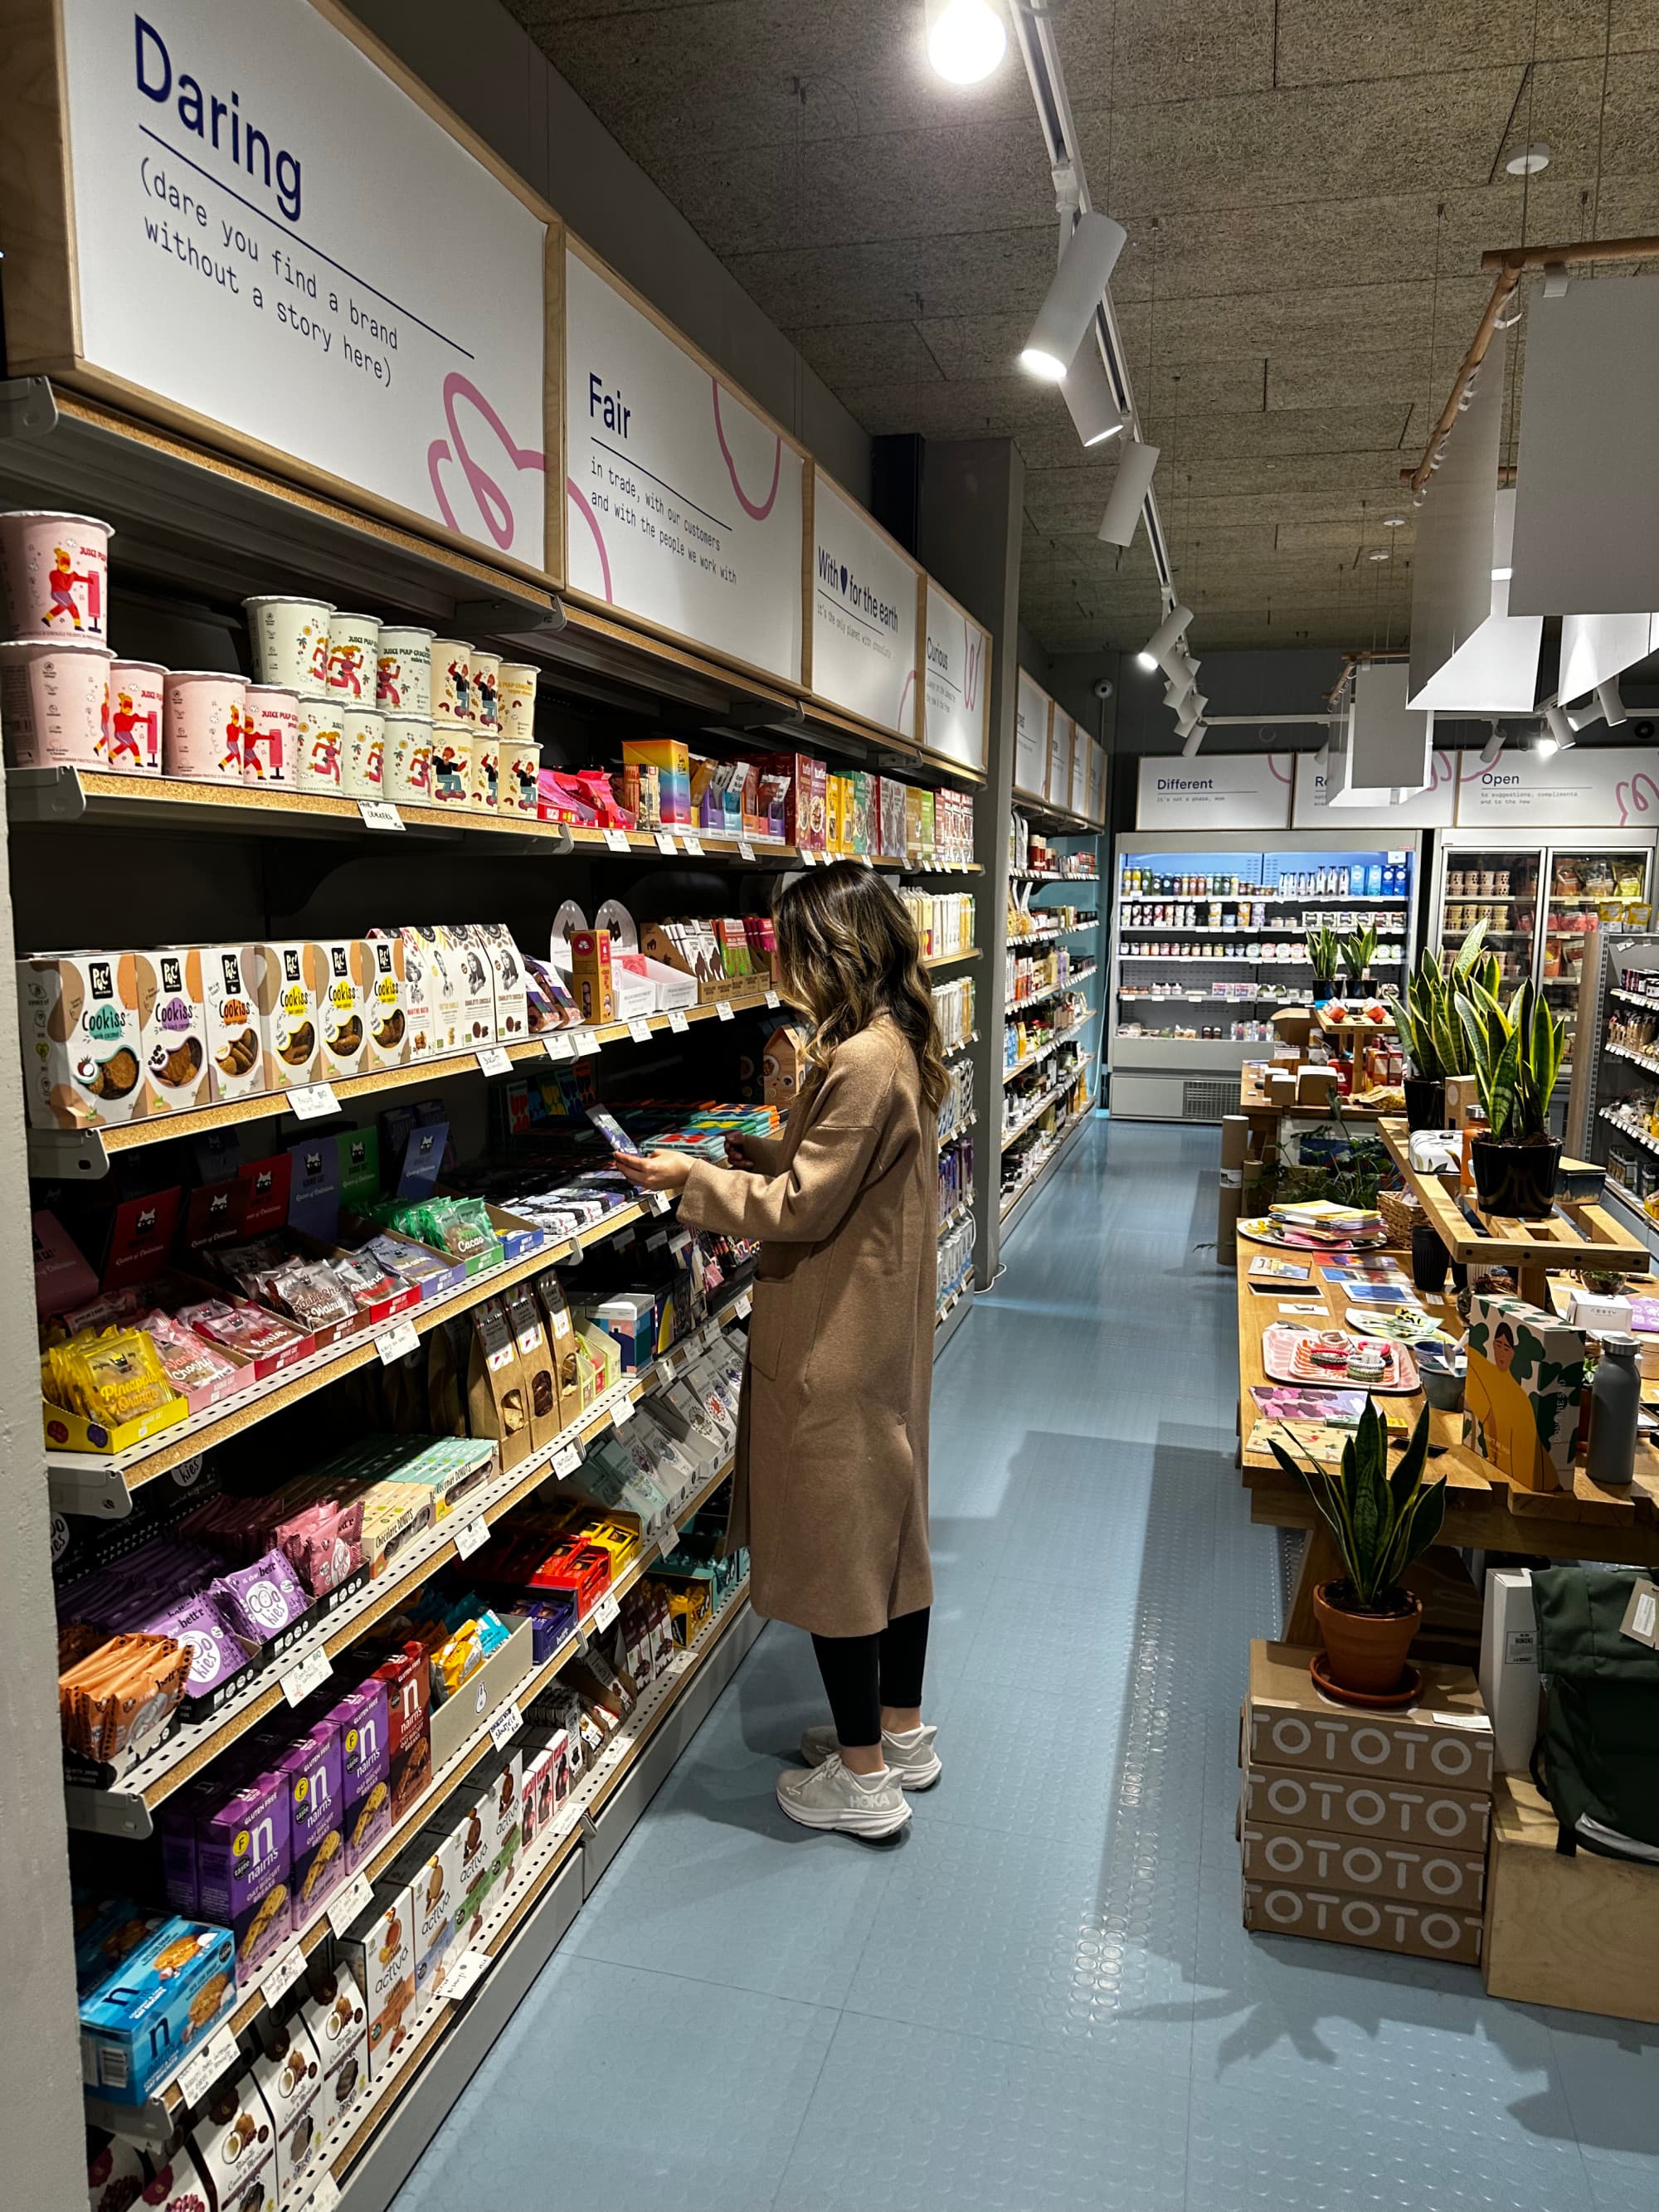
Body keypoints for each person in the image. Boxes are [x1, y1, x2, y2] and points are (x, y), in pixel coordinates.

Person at [615, 860, 946, 1839]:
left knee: (841, 1542)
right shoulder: (899, 1043)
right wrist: (757, 1152)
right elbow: (836, 1174)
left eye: (790, 944)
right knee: (893, 1531)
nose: (780, 963)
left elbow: (803, 1207)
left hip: (837, 1333)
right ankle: (898, 1730)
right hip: (881, 1325)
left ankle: (860, 1782)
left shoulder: (857, 1059)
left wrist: (687, 1181)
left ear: (831, 950)